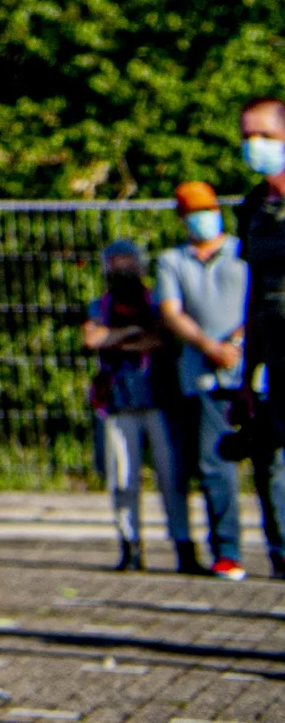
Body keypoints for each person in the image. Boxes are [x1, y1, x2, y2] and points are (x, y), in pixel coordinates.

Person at [157, 180, 252, 579]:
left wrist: (241, 338)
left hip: (253, 373)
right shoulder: (171, 260)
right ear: (182, 218)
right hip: (202, 377)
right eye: (194, 211)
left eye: (207, 208)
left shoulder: (242, 251)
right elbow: (171, 311)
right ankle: (227, 552)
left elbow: (264, 296)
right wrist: (209, 345)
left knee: (272, 464)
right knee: (215, 466)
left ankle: (281, 549)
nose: (203, 216)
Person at [82, 238, 182, 573]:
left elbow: (161, 338)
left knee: (171, 476)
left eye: (128, 261)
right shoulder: (101, 304)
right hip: (117, 400)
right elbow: (93, 339)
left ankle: (183, 543)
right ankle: (131, 545)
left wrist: (117, 336)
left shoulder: (154, 299)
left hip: (158, 398)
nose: (122, 268)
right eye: (115, 262)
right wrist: (132, 335)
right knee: (123, 477)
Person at [233, 97, 285, 569]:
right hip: (272, 357)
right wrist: (246, 374)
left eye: (266, 135)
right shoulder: (253, 207)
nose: (256, 145)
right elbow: (251, 296)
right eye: (248, 136)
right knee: (270, 463)